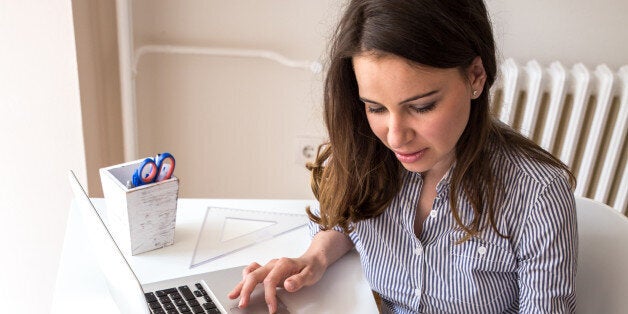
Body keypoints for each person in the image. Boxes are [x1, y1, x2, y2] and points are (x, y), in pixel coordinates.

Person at [229, 0, 578, 313]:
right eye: (376, 108)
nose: (396, 137)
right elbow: (344, 217)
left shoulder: (538, 194)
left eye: (422, 107)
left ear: (475, 75)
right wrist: (313, 258)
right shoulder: (365, 150)